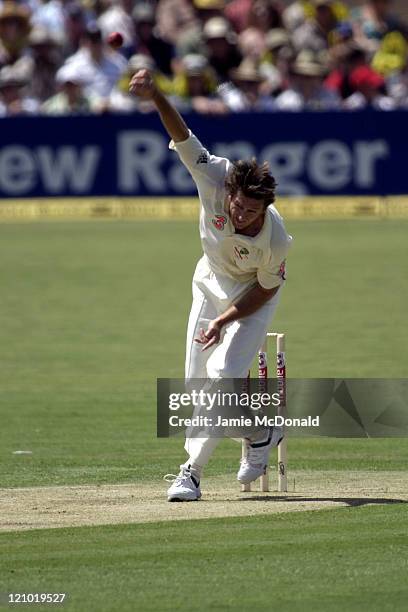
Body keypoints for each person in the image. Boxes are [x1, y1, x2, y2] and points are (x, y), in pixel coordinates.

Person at [130, 69, 293, 502]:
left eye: (251, 211)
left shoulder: (275, 240)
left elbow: (266, 290)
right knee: (195, 383)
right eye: (237, 206)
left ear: (266, 207)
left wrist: (225, 319)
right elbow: (182, 134)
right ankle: (261, 430)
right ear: (232, 192)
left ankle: (191, 471)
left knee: (223, 375)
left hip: (251, 300)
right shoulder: (215, 177)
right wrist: (156, 95)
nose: (240, 216)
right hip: (208, 282)